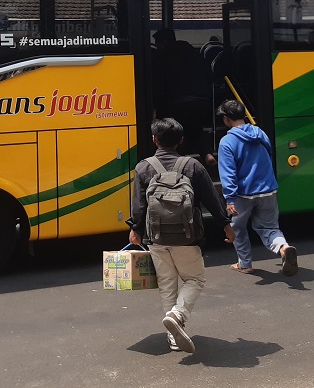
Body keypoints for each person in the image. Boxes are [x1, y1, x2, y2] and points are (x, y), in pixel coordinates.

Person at [128, 117, 234, 354]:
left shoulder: (144, 167)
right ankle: (178, 315)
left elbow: (138, 206)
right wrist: (226, 224)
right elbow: (211, 199)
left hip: (156, 238)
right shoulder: (192, 166)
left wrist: (135, 229)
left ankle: (173, 337)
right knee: (194, 280)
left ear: (154, 139)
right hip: (188, 237)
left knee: (167, 286)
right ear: (181, 141)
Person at [215, 99, 299, 277]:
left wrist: (230, 198)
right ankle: (284, 248)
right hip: (268, 188)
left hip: (243, 194)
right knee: (269, 228)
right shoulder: (259, 133)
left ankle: (245, 263)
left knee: (237, 228)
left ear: (226, 119)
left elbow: (228, 173)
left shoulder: (227, 142)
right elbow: (268, 153)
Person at [151, 28, 213, 157]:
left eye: (158, 44)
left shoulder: (162, 58)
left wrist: (155, 106)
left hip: (176, 101)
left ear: (164, 42)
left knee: (174, 129)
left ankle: (179, 159)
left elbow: (159, 83)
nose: (157, 47)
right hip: (202, 100)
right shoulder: (194, 53)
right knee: (196, 127)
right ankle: (207, 154)